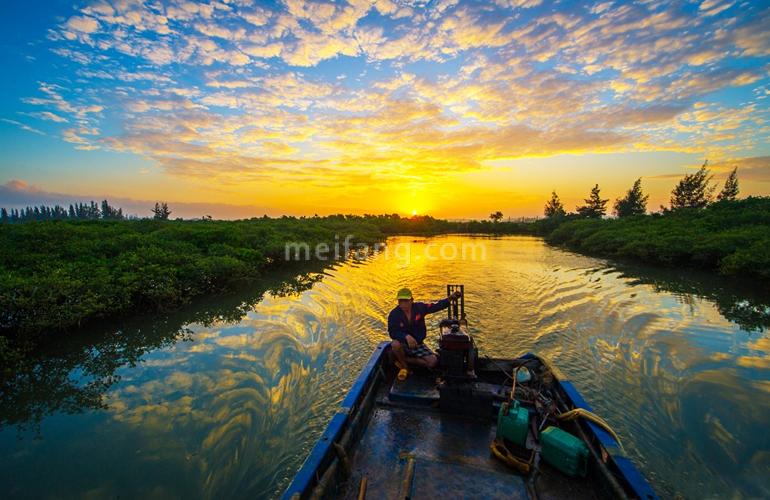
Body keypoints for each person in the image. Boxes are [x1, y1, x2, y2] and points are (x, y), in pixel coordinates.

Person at [388, 287, 462, 380]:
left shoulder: (420, 308)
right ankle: (404, 366)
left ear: (411, 300)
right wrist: (406, 336)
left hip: (418, 344)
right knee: (395, 344)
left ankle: (401, 358)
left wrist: (450, 298)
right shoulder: (394, 314)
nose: (403, 304)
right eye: (400, 301)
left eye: (406, 301)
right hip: (404, 344)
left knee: (433, 362)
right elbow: (393, 332)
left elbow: (435, 306)